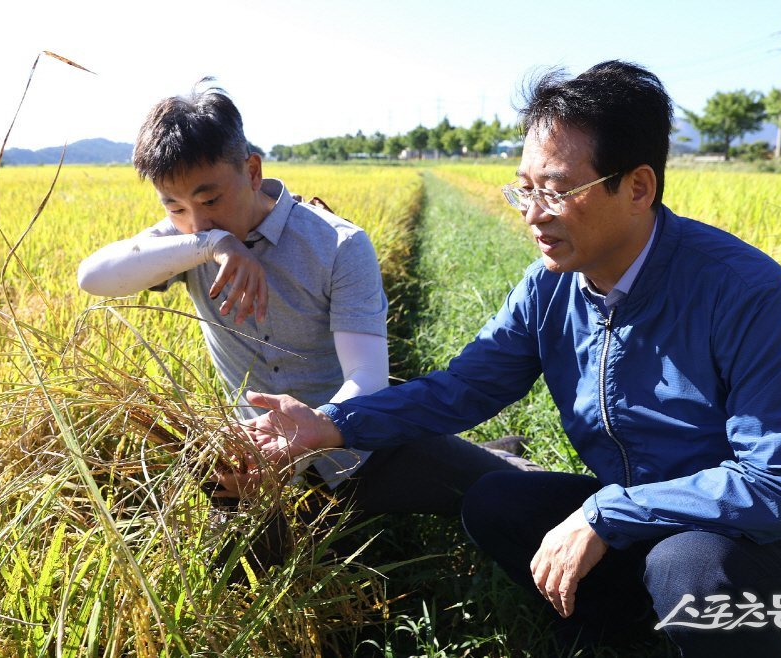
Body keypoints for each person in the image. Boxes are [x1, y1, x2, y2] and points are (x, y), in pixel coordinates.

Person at [245, 61, 781, 655]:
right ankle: (618, 622)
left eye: (556, 191)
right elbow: (463, 387)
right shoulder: (550, 287)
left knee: (689, 566)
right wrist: (330, 424)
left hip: (775, 556)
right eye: (525, 189)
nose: (533, 214)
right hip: (641, 522)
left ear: (637, 188)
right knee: (497, 503)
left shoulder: (741, 291)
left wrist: (608, 513)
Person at [77, 79, 538, 538]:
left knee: (512, 493)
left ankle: (494, 456)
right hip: (257, 460)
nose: (196, 221)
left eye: (210, 199)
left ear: (252, 171)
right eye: (174, 207)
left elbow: (368, 377)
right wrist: (211, 244)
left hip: (360, 445)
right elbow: (93, 277)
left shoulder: (337, 244)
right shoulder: (186, 242)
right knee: (232, 564)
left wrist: (314, 432)